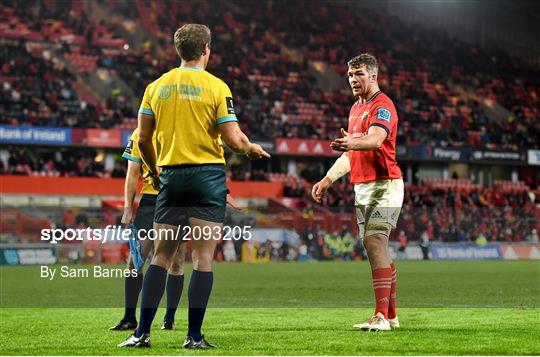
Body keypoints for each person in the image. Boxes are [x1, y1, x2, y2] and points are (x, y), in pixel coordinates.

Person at [118, 23, 269, 349]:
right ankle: (194, 336)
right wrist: (249, 148)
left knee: (160, 256)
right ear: (206, 50)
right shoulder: (216, 86)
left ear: (178, 50)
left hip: (171, 177)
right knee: (202, 258)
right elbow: (232, 137)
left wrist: (157, 170)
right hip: (207, 177)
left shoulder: (156, 86)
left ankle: (141, 333)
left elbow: (142, 139)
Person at [312, 53, 403, 332]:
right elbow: (351, 151)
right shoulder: (355, 108)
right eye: (350, 74)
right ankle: (392, 315)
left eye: (359, 74)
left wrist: (352, 142)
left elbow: (375, 140)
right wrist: (328, 179)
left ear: (373, 76)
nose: (353, 79)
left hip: (384, 184)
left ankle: (380, 316)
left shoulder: (382, 105)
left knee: (375, 242)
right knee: (377, 247)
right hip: (362, 187)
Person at [110, 128, 186, 332]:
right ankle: (129, 317)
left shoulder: (179, 126)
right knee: (135, 259)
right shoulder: (139, 134)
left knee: (176, 261)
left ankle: (169, 318)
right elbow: (133, 172)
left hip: (177, 200)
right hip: (150, 202)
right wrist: (128, 208)